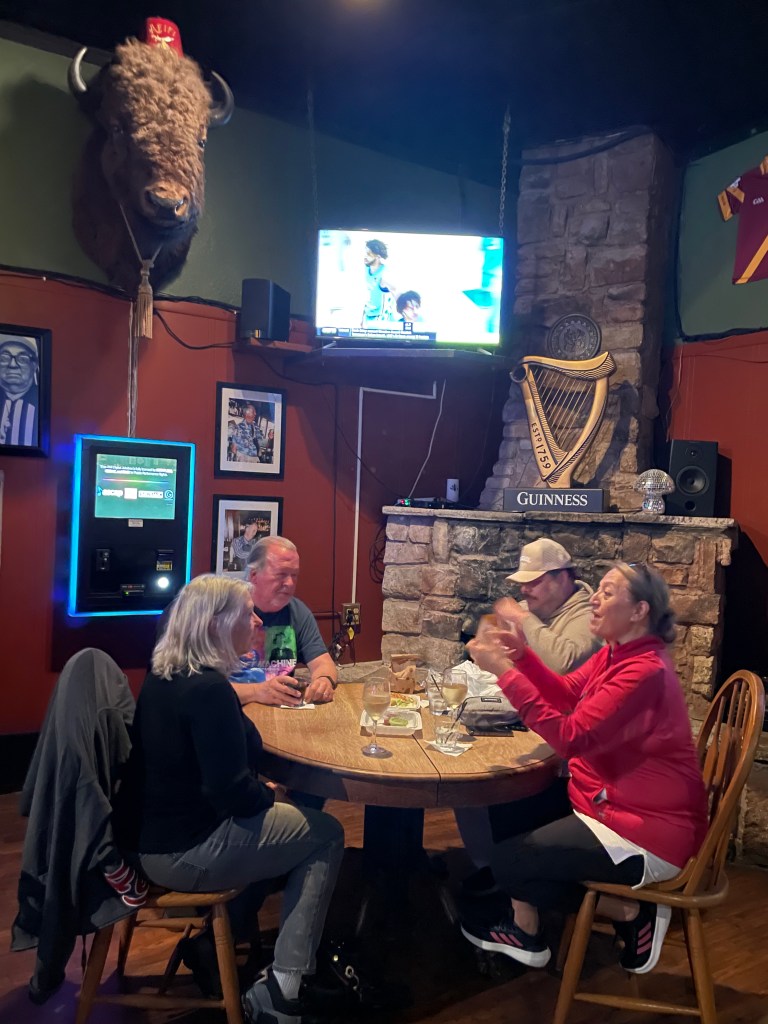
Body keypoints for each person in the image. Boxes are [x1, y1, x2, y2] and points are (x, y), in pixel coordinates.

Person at [115, 574, 345, 1024]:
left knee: (285, 819)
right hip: (180, 849)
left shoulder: (168, 672)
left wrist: (261, 795)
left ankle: (237, 932)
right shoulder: (209, 691)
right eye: (248, 614)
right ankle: (285, 986)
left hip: (146, 834)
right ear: (217, 624)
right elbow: (231, 792)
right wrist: (266, 793)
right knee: (326, 834)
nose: (258, 620)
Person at [460, 562, 709, 975]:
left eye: (608, 592)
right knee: (510, 802)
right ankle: (530, 924)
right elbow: (565, 693)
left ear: (639, 611)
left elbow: (571, 736)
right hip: (609, 805)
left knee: (508, 863)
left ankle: (627, 911)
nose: (594, 597)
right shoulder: (619, 653)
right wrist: (522, 657)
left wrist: (503, 671)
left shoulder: (644, 671)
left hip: (648, 832)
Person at [456, 538, 602, 894]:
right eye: (523, 581)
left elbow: (564, 664)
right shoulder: (533, 609)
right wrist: (486, 638)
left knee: (493, 781)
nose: (524, 589)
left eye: (534, 581)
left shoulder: (586, 617)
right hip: (537, 727)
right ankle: (493, 868)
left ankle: (512, 879)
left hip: (572, 757)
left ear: (563, 578)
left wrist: (523, 620)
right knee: (466, 776)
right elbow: (483, 638)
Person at [230, 536, 338, 707]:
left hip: (280, 716)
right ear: (253, 575)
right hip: (232, 714)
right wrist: (257, 692)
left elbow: (323, 662)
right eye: (281, 574)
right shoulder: (224, 609)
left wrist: (323, 681)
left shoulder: (297, 611)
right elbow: (199, 687)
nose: (290, 583)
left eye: (294, 575)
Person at [0, 334, 39, 447]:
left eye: (22, 359)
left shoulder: (45, 406)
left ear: (34, 365)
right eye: (4, 358)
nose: (12, 364)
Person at [361, 238, 397, 324]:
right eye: (365, 253)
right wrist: (362, 317)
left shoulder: (385, 274)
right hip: (368, 316)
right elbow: (367, 296)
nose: (365, 256)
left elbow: (396, 293)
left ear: (378, 257)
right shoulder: (366, 269)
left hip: (382, 319)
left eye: (368, 254)